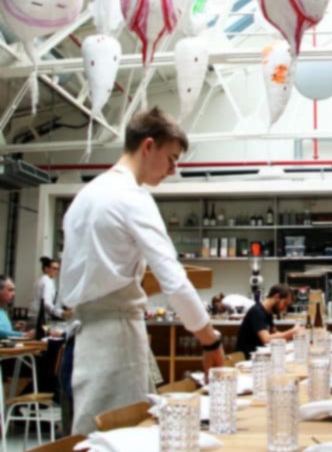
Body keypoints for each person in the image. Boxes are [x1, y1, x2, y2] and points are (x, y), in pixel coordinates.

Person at [58, 107, 225, 435]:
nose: (173, 170)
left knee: (83, 449)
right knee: (117, 449)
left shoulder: (84, 197)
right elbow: (174, 280)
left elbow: (94, 277)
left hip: (78, 342)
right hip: (112, 342)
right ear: (148, 146)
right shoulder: (132, 197)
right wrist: (210, 340)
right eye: (172, 159)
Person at [235, 284, 299, 358]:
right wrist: (292, 332)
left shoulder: (268, 313)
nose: (285, 309)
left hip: (259, 358)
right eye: (285, 304)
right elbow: (267, 339)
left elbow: (275, 333)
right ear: (277, 297)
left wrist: (292, 340)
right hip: (247, 359)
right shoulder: (257, 312)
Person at [28, 256, 65, 321]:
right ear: (46, 269)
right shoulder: (47, 281)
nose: (56, 271)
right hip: (41, 318)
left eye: (58, 269)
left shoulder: (40, 280)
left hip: (34, 317)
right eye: (54, 268)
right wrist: (60, 313)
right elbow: (46, 302)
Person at [0, 275, 34, 340]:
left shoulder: (3, 310)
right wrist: (24, 335)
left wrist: (14, 328)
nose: (13, 294)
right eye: (10, 290)